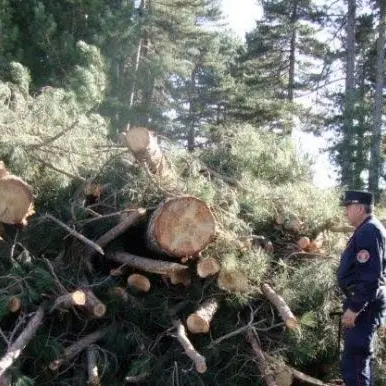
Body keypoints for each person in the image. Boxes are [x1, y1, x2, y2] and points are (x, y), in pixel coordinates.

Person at [338, 190, 386, 385]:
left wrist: (355, 308)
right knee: (357, 362)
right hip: (366, 302)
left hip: (364, 306)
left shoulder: (368, 231)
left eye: (348, 207)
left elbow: (371, 276)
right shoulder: (369, 228)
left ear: (359, 208)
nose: (345, 212)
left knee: (355, 364)